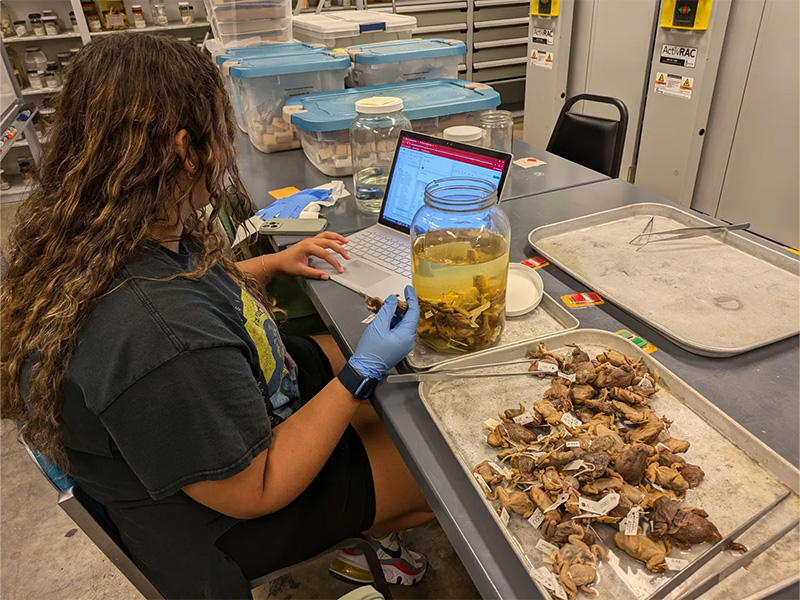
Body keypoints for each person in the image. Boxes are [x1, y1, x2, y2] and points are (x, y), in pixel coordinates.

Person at [0, 34, 434, 599]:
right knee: (435, 469)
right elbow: (255, 488)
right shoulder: (160, 334)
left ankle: (365, 488)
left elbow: (190, 295)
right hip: (225, 514)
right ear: (185, 148)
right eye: (223, 132)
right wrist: (359, 375)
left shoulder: (111, 226)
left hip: (219, 417)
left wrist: (270, 264)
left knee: (388, 377)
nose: (228, 149)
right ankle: (364, 531)